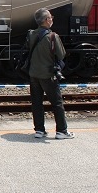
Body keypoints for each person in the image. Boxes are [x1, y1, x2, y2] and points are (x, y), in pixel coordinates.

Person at [27, 7, 74, 140]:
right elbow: (62, 54)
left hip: (33, 74)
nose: (52, 19)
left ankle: (39, 130)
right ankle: (61, 131)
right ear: (47, 20)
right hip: (48, 75)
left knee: (36, 103)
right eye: (51, 17)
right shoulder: (53, 36)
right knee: (57, 103)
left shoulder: (31, 34)